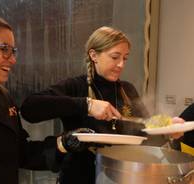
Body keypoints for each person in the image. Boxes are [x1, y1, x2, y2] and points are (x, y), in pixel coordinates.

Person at [0, 8, 93, 184]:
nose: (13, 59)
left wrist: (64, 143)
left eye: (13, 50)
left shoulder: (3, 97)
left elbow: (20, 153)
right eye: (4, 49)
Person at [21, 26, 151, 184]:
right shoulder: (76, 86)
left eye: (125, 58)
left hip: (120, 175)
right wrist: (86, 105)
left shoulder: (127, 89)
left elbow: (146, 131)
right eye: (115, 57)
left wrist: (168, 129)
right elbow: (30, 108)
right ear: (94, 55)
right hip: (78, 175)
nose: (121, 65)